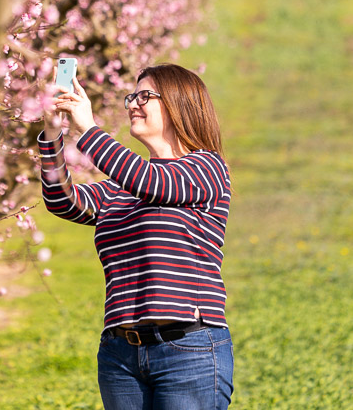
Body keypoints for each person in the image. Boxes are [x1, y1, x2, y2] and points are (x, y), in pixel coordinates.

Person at [40, 62, 232, 410]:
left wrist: (87, 130)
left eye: (146, 96)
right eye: (132, 96)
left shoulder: (206, 167)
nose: (132, 103)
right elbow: (64, 202)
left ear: (181, 104)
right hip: (120, 354)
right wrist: (52, 134)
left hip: (186, 349)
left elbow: (152, 182)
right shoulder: (120, 187)